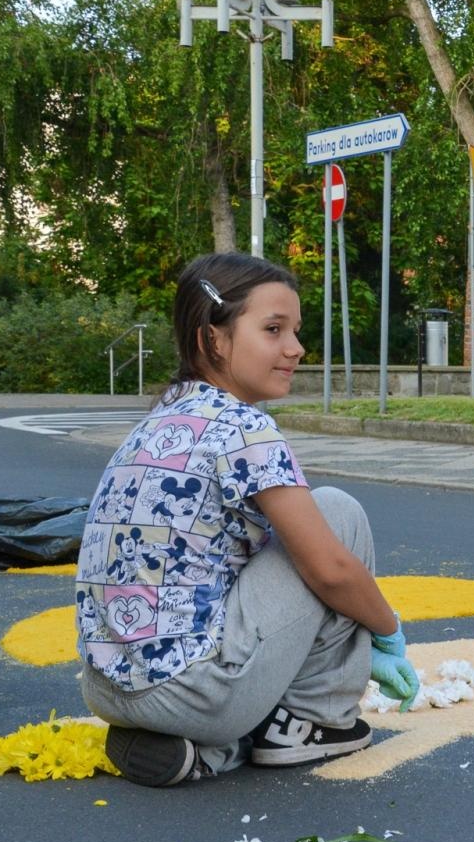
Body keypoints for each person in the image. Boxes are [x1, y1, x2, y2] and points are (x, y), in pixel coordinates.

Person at [74, 252, 420, 787]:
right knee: (336, 514)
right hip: (196, 693)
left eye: (296, 331)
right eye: (273, 329)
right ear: (213, 338)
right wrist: (386, 631)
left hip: (106, 688)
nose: (295, 348)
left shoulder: (157, 421)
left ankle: (206, 753)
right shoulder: (242, 427)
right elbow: (330, 568)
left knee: (266, 538)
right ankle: (310, 722)